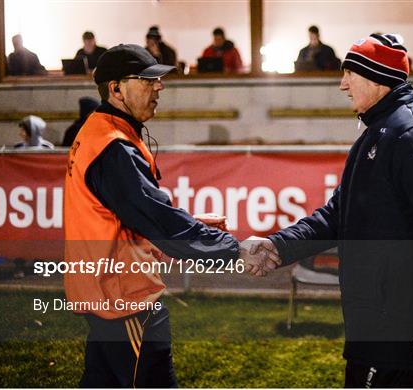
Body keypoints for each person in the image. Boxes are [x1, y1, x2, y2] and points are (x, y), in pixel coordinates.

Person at [244, 33, 413, 388]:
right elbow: (338, 214)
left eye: (349, 74)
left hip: (397, 325)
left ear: (375, 77)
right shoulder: (379, 133)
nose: (342, 85)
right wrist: (280, 246)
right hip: (376, 321)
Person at [63, 43, 268, 387]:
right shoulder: (114, 147)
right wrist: (233, 249)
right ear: (116, 89)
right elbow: (158, 220)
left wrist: (197, 226)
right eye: (148, 80)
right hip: (126, 300)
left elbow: (136, 214)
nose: (160, 87)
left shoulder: (100, 133)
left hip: (105, 295)